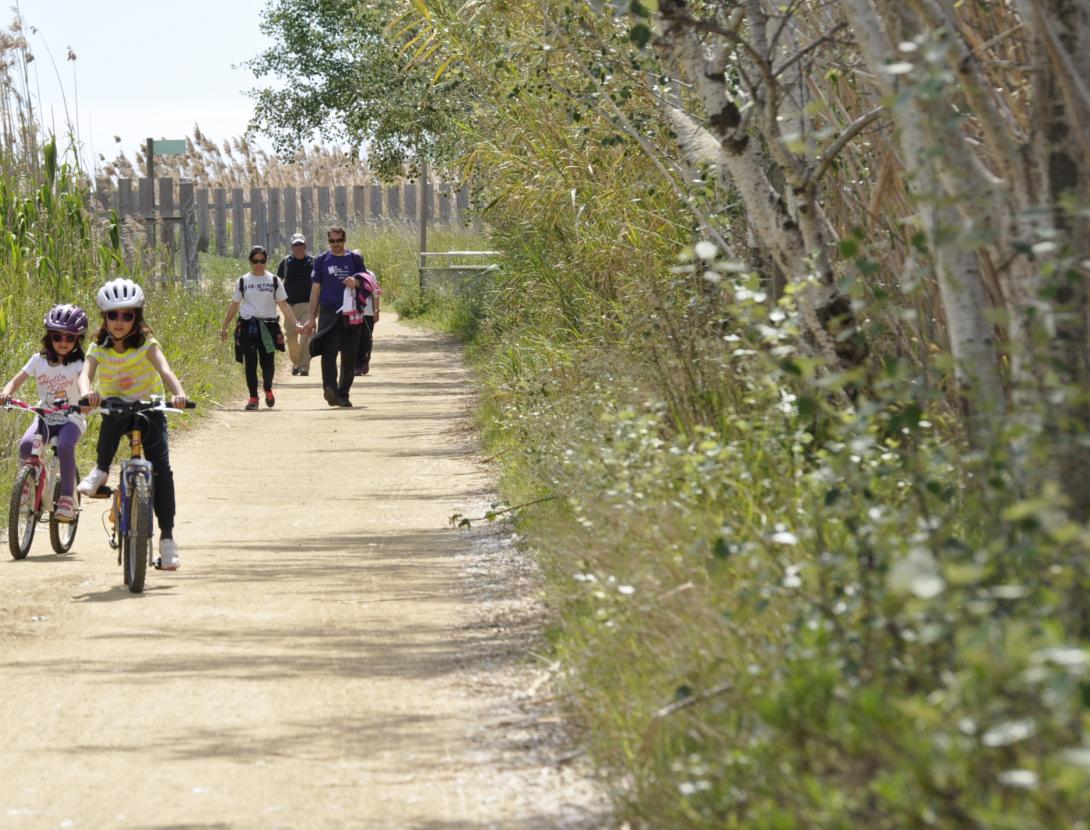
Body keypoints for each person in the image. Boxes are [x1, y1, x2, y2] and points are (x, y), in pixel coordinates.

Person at [76, 278, 189, 571]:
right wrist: (87, 393)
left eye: (127, 316)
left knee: (162, 470)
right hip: (117, 408)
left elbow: (165, 369)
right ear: (104, 317)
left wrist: (178, 394)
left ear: (136, 318)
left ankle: (167, 539)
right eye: (113, 315)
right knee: (112, 416)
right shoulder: (98, 347)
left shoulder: (147, 344)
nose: (119, 322)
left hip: (149, 408)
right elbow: (85, 375)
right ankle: (101, 471)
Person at [0, 304, 90, 522]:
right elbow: (16, 381)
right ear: (49, 336)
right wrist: (6, 393)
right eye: (57, 336)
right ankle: (30, 481)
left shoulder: (79, 363)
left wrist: (86, 397)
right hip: (45, 416)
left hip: (71, 418)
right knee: (25, 445)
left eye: (70, 338)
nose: (63, 342)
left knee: (65, 446)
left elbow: (83, 381)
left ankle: (67, 496)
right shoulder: (38, 360)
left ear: (78, 340)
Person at [219, 245, 304, 411]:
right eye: (255, 261)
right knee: (250, 363)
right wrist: (224, 327)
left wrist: (295, 324)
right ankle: (253, 398)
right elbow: (235, 305)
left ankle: (267, 388)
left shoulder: (274, 280)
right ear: (250, 261)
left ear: (266, 261)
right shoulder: (243, 281)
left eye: (262, 261)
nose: (259, 264)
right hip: (248, 326)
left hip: (268, 327)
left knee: (268, 363)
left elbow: (283, 305)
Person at [306, 226, 366, 407]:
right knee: (328, 352)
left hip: (351, 312)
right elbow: (315, 289)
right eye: (332, 241)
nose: (336, 244)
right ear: (328, 241)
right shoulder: (322, 260)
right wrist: (311, 317)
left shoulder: (354, 259)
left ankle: (343, 393)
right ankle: (330, 389)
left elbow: (366, 282)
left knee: (349, 355)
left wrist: (355, 281)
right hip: (328, 311)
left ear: (344, 240)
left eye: (339, 241)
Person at [276, 233, 315, 376]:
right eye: (296, 245)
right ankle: (296, 362)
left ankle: (304, 366)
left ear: (305, 246)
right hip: (289, 307)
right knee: (291, 338)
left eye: (301, 244)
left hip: (307, 305)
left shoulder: (313, 262)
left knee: (306, 335)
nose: (298, 247)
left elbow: (319, 284)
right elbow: (278, 283)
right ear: (292, 247)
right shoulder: (285, 263)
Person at [353, 266, 381, 376]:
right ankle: (356, 365)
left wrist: (376, 310)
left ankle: (365, 359)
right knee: (354, 338)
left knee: (366, 338)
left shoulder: (370, 274)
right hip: (352, 312)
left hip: (367, 312)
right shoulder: (349, 272)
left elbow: (375, 293)